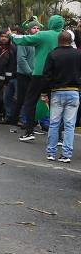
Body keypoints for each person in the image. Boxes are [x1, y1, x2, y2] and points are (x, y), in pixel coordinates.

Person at [10, 15, 64, 142]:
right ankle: (60, 137)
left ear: (51, 23)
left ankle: (29, 131)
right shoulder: (65, 36)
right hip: (56, 75)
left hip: (40, 73)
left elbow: (24, 40)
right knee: (55, 105)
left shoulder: (44, 35)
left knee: (30, 102)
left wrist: (11, 35)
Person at [42, 31, 80, 162]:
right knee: (70, 125)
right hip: (74, 92)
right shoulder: (78, 54)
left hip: (57, 92)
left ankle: (51, 152)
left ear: (58, 41)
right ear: (70, 41)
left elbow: (46, 75)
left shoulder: (53, 54)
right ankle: (66, 155)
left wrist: (44, 93)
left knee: (54, 123)